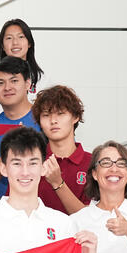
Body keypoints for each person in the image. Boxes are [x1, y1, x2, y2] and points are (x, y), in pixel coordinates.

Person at [0, 56, 36, 198]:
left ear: (28, 84)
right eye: (0, 83)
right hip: (0, 208)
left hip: (39, 207)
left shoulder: (46, 121)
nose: (7, 88)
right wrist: (12, 147)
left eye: (14, 81)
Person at [33, 84, 92, 215]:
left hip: (79, 235)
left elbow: (91, 219)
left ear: (75, 117)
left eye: (60, 113)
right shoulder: (31, 163)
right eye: (46, 115)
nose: (53, 120)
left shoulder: (93, 164)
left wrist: (57, 183)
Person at [0, 18, 54, 97]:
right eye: (9, 38)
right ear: (2, 45)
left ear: (29, 43)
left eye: (21, 37)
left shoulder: (43, 80)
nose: (15, 42)